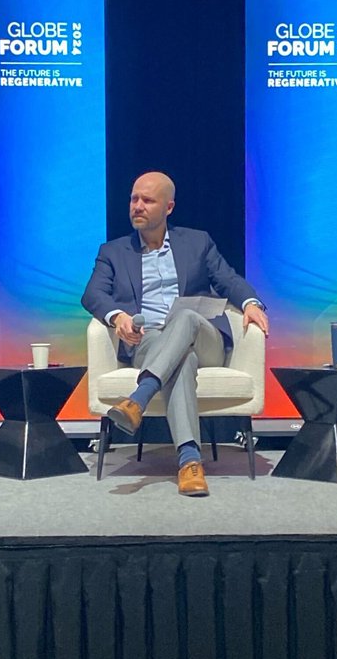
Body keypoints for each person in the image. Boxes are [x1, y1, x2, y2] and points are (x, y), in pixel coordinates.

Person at [81, 171, 269, 497]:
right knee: (183, 361)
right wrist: (118, 316)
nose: (137, 206)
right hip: (149, 341)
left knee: (184, 317)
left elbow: (228, 280)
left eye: (147, 200)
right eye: (133, 199)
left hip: (203, 336)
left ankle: (138, 399)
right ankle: (189, 462)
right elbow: (93, 295)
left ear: (168, 207)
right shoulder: (112, 251)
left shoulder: (197, 242)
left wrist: (251, 302)